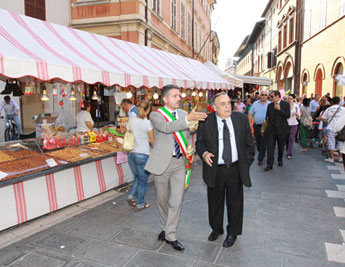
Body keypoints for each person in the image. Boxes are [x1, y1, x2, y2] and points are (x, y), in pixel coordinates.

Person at [144, 84, 207, 251]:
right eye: (175, 96)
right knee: (162, 200)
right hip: (162, 164)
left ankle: (171, 235)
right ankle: (165, 228)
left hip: (180, 163)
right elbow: (166, 128)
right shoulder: (155, 115)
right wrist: (188, 120)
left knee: (176, 201)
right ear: (165, 99)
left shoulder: (184, 114)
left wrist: (192, 129)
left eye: (179, 95)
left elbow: (186, 133)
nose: (179, 98)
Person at [196, 92, 254, 248]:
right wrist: (204, 153)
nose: (227, 106)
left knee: (235, 203)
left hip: (235, 169)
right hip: (215, 169)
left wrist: (245, 164)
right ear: (214, 108)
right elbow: (199, 143)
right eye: (223, 104)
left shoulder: (241, 119)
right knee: (214, 202)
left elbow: (250, 144)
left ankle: (232, 232)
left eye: (229, 102)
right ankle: (216, 229)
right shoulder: (206, 122)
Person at [127, 100, 154, 210]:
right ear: (148, 110)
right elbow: (152, 141)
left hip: (132, 153)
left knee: (137, 177)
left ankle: (131, 196)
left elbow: (128, 135)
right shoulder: (147, 123)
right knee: (143, 182)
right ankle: (140, 204)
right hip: (143, 154)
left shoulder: (132, 121)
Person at [264, 90, 290, 171]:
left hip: (282, 130)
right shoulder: (270, 105)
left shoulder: (285, 104)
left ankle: (280, 159)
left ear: (278, 96)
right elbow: (267, 117)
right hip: (271, 130)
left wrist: (279, 109)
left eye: (272, 96)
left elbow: (287, 116)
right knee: (270, 147)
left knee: (281, 146)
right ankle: (269, 164)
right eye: (270, 97)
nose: (271, 98)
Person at [248, 89, 270, 165]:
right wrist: (250, 124)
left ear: (267, 96)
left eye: (265, 95)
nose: (264, 96)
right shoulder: (255, 104)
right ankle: (261, 153)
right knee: (258, 142)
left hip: (266, 126)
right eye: (262, 95)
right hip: (256, 126)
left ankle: (260, 158)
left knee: (263, 143)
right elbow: (250, 114)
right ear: (260, 95)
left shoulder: (269, 104)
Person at [321, 96, 345, 163]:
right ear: (339, 102)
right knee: (340, 143)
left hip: (331, 127)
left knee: (331, 143)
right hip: (341, 128)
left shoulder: (328, 109)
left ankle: (331, 158)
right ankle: (341, 158)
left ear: (331, 102)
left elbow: (324, 119)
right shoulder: (343, 109)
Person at [286, 94, 300, 159]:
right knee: (286, 138)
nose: (289, 100)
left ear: (294, 99)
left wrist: (296, 114)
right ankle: (287, 148)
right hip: (286, 124)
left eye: (291, 98)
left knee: (291, 138)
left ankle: (289, 152)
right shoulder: (286, 106)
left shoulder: (296, 106)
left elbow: (299, 116)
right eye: (288, 98)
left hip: (294, 124)